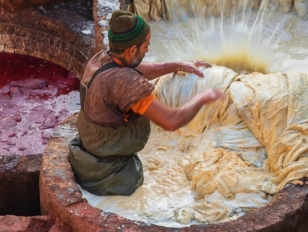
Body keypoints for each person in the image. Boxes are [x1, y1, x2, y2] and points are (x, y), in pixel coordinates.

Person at [69, 10, 224, 195]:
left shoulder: (102, 58)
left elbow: (139, 69)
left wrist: (177, 65)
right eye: (145, 47)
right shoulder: (127, 84)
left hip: (90, 149)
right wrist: (202, 97)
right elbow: (171, 121)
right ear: (132, 50)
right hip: (109, 171)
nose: (148, 51)